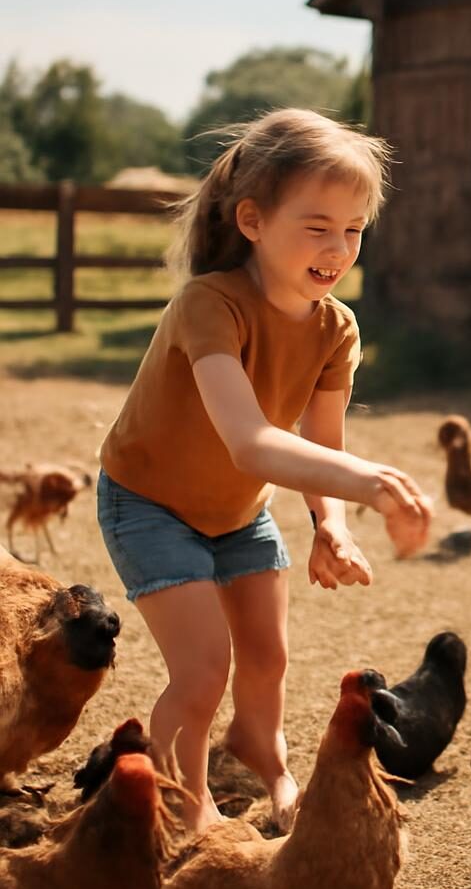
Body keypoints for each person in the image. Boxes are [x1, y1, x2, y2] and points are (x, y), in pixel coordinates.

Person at [97, 108, 432, 833]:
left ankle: (262, 750)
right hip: (149, 504)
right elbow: (250, 442)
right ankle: (181, 806)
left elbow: (322, 440)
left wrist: (331, 523)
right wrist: (369, 483)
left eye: (354, 229)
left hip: (238, 511)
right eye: (318, 226)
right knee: (202, 669)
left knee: (268, 658)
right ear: (252, 220)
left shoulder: (337, 328)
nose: (338, 248)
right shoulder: (210, 305)